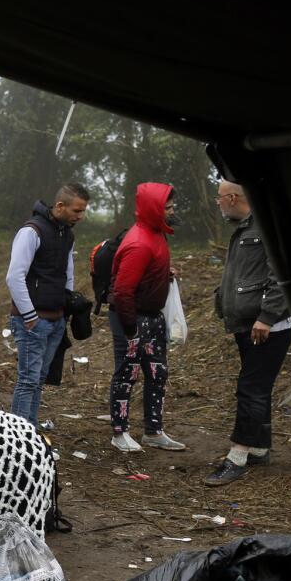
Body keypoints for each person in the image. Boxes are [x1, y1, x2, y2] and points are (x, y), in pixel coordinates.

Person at [205, 181, 291, 485]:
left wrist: (268, 317)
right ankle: (259, 446)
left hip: (267, 325)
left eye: (219, 198)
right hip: (249, 322)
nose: (218, 203)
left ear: (232, 198)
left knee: (251, 387)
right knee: (258, 384)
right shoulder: (244, 227)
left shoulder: (267, 227)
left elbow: (280, 273)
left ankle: (238, 455)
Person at [108, 183, 186, 453]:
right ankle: (120, 433)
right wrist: (130, 330)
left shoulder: (157, 234)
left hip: (153, 317)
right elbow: (122, 290)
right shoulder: (139, 242)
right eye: (168, 207)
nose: (173, 210)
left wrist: (165, 273)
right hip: (132, 319)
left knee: (157, 373)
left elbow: (145, 273)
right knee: (127, 374)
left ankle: (154, 430)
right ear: (154, 209)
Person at [5, 182, 89, 427]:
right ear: (60, 206)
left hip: (56, 319)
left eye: (83, 211)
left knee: (40, 378)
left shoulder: (67, 234)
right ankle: (17, 435)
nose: (81, 217)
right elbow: (14, 276)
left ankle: (29, 427)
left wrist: (67, 308)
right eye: (77, 211)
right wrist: (30, 316)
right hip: (33, 321)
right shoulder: (32, 231)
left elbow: (67, 274)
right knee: (28, 379)